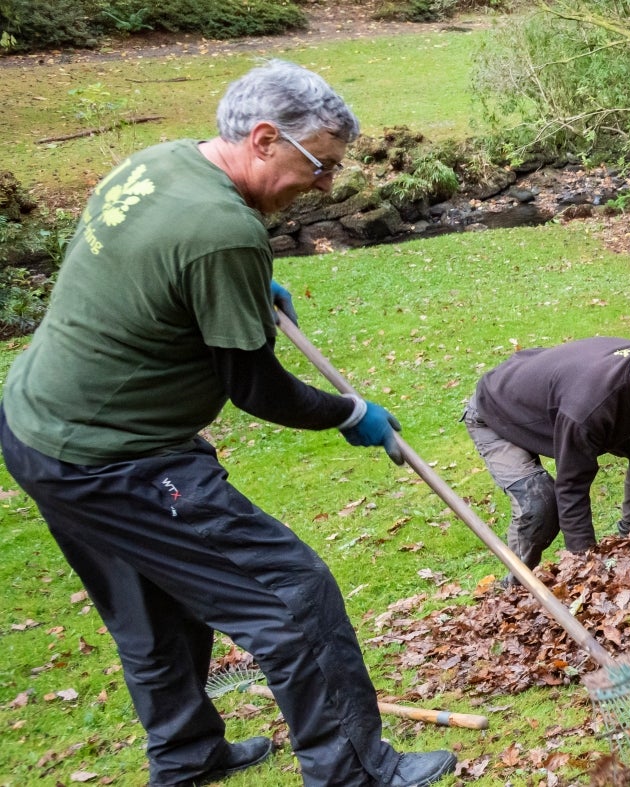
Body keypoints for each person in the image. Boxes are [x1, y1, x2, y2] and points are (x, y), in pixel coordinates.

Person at [0, 60, 455, 787]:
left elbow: (149, 271)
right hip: (119, 459)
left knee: (152, 609)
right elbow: (258, 390)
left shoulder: (159, 163)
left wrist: (239, 291)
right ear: (266, 138)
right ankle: (353, 772)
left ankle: (187, 757)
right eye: (321, 165)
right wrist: (351, 412)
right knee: (292, 598)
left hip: (37, 429)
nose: (327, 186)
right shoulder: (222, 231)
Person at [462, 329, 630, 571]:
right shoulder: (587, 409)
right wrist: (587, 568)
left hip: (561, 398)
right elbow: (572, 487)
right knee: (539, 505)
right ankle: (519, 589)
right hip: (499, 413)